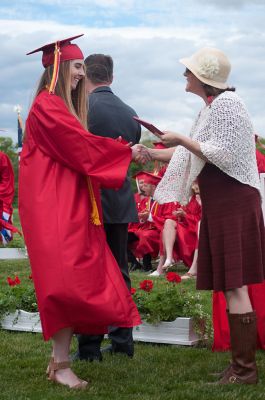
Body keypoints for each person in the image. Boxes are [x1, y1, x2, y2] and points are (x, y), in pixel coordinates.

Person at [19, 35, 148, 389]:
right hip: (54, 209)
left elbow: (83, 150)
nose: (81, 73)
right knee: (62, 286)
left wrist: (123, 152)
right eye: (77, 66)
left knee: (69, 283)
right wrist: (127, 153)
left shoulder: (59, 107)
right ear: (59, 67)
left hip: (67, 205)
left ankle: (59, 361)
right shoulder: (48, 107)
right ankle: (61, 365)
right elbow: (82, 148)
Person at [147, 47, 265, 384]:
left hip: (234, 201)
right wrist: (150, 152)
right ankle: (239, 366)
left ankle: (245, 372)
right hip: (224, 201)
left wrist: (181, 138)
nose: (184, 76)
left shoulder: (227, 105)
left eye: (189, 71)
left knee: (235, 284)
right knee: (230, 286)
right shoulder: (211, 109)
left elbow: (220, 153)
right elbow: (190, 154)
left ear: (202, 78)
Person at [74, 53, 141, 362]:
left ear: (86, 75)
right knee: (120, 270)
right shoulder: (130, 113)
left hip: (92, 201)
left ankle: (89, 348)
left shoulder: (84, 108)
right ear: (111, 77)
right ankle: (122, 340)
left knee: (91, 273)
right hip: (121, 198)